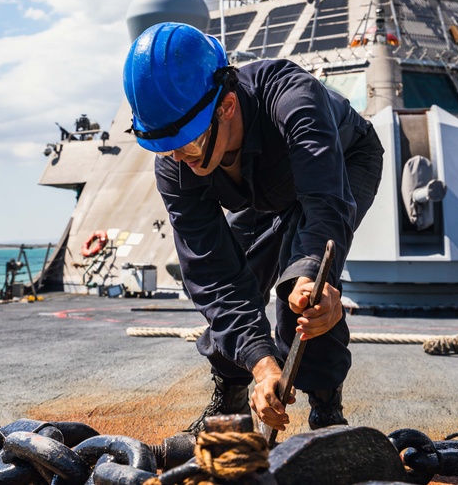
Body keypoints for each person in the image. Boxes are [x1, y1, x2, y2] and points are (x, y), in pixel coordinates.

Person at [123, 22, 384, 434]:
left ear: (226, 106)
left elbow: (323, 204)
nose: (179, 159)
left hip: (342, 161)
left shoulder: (294, 99)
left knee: (304, 294)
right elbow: (213, 273)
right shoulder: (177, 162)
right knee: (233, 286)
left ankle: (326, 408)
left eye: (189, 143)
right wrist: (263, 365)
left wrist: (312, 275)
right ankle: (231, 398)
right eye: (166, 148)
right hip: (262, 189)